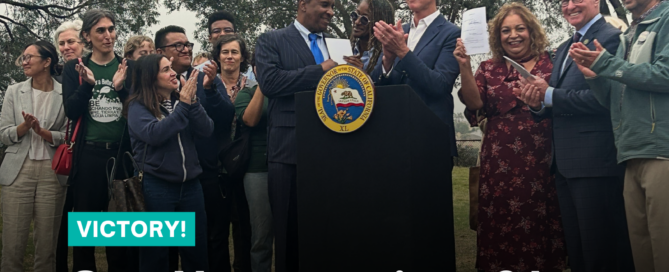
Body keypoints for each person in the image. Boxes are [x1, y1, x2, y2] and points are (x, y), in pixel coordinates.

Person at [517, 0, 633, 271]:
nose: (569, 6)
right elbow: (556, 100)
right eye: (564, 2)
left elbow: (607, 99)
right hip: (566, 165)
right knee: (579, 252)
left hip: (596, 162)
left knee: (602, 252)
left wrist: (550, 95)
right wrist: (538, 102)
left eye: (577, 0)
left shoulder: (613, 39)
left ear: (595, 1)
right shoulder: (565, 46)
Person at [454, 3, 567, 271]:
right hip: (499, 165)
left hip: (542, 162)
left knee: (540, 229)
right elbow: (474, 103)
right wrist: (465, 67)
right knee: (500, 227)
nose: (513, 35)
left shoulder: (552, 63)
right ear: (497, 36)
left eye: (520, 28)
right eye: (505, 30)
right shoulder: (488, 68)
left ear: (532, 31)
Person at [570, 0, 669, 271]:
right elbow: (615, 98)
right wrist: (595, 76)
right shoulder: (628, 33)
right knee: (642, 253)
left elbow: (665, 74)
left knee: (664, 250)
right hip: (629, 151)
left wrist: (607, 63)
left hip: (661, 150)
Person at [370, 0, 460, 268]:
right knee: (399, 226)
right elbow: (380, 83)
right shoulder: (401, 30)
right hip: (396, 142)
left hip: (430, 143)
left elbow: (440, 85)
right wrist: (387, 57)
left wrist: (403, 51)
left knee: (431, 227)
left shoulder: (450, 32)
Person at [255, 0, 338, 270]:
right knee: (290, 237)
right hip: (288, 151)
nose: (331, 11)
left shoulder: (338, 45)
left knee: (329, 234)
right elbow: (271, 83)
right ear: (303, 4)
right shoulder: (271, 40)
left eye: (333, 6)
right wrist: (320, 71)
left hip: (335, 150)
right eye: (325, 4)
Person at [61, 9, 137, 272]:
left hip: (122, 157)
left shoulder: (129, 67)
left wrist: (121, 88)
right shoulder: (75, 68)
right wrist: (87, 85)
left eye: (111, 28)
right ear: (87, 36)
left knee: (121, 234)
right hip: (89, 156)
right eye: (100, 30)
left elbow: (139, 112)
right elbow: (70, 110)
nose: (108, 35)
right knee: (86, 231)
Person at [154, 25, 235, 272]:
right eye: (177, 46)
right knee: (165, 246)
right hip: (164, 178)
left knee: (211, 241)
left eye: (187, 44)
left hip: (205, 173)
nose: (186, 49)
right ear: (160, 52)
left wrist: (209, 90)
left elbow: (225, 118)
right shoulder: (150, 86)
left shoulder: (204, 78)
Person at [126, 54, 212, 272]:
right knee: (156, 255)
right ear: (149, 77)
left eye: (171, 68)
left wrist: (192, 102)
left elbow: (206, 130)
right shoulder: (137, 107)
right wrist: (184, 105)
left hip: (191, 186)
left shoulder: (181, 101)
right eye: (165, 69)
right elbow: (155, 134)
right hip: (157, 187)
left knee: (196, 251)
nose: (173, 72)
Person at [0, 40, 68, 272]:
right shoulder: (13, 91)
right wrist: (24, 128)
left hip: (52, 172)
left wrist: (43, 132)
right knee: (13, 242)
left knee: (48, 244)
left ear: (47, 62)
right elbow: (3, 135)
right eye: (23, 58)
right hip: (19, 171)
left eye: (29, 57)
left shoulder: (65, 93)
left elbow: (69, 136)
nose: (24, 62)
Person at [210, 33, 254, 272]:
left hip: (244, 164)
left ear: (242, 56)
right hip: (215, 166)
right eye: (225, 52)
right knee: (216, 231)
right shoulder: (207, 85)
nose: (229, 56)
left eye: (234, 52)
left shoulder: (253, 85)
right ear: (217, 57)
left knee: (243, 228)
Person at [52, 19, 87, 272]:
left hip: (93, 152)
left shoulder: (103, 69)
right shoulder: (54, 76)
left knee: (91, 222)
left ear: (84, 42)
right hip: (65, 155)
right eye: (61, 43)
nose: (66, 47)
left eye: (71, 41)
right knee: (63, 220)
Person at [234, 51, 272, 272]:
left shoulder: (286, 90)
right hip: (257, 170)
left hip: (288, 165)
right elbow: (250, 119)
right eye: (262, 66)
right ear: (254, 69)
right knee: (261, 235)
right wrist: (264, 85)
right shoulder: (246, 94)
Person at [196, 11, 256, 82]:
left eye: (227, 30)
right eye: (216, 31)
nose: (222, 34)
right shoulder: (198, 72)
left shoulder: (251, 72)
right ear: (210, 38)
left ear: (235, 35)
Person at [344, 0, 394, 73]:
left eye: (364, 19)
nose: (357, 22)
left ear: (380, 23)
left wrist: (362, 75)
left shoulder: (387, 57)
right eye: (355, 15)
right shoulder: (346, 51)